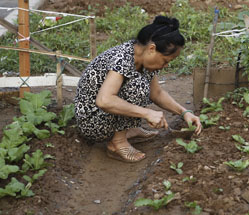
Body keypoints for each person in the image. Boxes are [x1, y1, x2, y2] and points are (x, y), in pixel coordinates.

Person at [74, 16, 203, 163]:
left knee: (140, 85)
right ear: (152, 49)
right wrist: (147, 113)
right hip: (91, 121)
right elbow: (104, 100)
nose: (166, 65)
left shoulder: (141, 59)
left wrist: (184, 112)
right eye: (166, 60)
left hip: (104, 115)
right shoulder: (122, 58)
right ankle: (117, 143)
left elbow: (157, 93)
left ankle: (128, 129)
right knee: (138, 87)